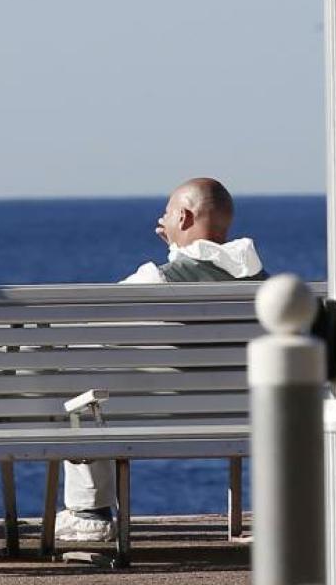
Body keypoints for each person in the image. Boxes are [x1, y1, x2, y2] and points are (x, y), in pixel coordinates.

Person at [55, 177, 265, 544]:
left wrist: (175, 257)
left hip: (158, 418)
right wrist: (181, 249)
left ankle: (90, 514)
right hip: (254, 417)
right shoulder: (264, 285)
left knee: (81, 375)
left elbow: (85, 331)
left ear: (183, 217)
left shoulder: (155, 280)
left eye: (167, 213)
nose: (161, 220)